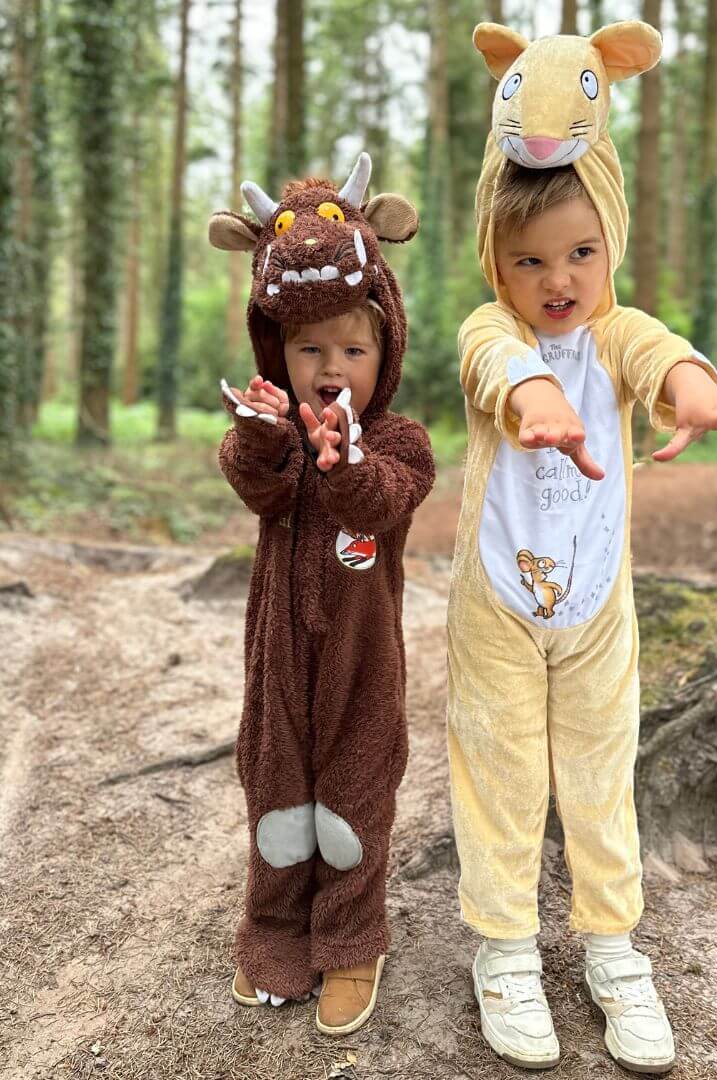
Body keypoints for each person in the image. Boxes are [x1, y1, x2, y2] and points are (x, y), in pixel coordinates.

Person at [447, 22, 717, 1073]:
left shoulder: (617, 331)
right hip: (498, 607)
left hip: (599, 608)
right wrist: (542, 403)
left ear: (610, 242)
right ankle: (505, 951)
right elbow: (497, 368)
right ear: (495, 261)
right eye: (530, 260)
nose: (558, 278)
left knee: (601, 778)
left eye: (581, 253)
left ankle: (613, 946)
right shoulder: (490, 329)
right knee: (501, 774)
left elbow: (665, 360)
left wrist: (707, 399)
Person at [207, 153, 434, 1036]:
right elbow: (253, 488)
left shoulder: (402, 442)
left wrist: (342, 462)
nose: (330, 366)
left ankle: (350, 937)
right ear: (277, 351)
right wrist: (261, 441)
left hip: (362, 663)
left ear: (386, 349)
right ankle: (273, 924)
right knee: (274, 786)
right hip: (277, 658)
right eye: (308, 349)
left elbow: (384, 499)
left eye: (352, 348)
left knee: (353, 794)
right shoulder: (276, 428)